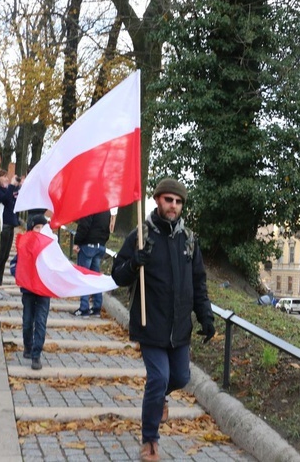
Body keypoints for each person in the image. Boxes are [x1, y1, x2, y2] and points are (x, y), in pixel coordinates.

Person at [111, 178, 215, 462]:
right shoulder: (141, 235)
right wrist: (135, 263)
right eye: (169, 200)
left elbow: (198, 282)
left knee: (180, 377)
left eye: (179, 202)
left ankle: (159, 401)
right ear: (157, 200)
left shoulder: (189, 240)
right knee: (158, 378)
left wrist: (205, 317)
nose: (174, 206)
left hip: (179, 327)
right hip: (150, 324)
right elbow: (117, 274)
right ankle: (150, 440)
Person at [10, 214, 51, 370]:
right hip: (28, 291)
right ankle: (28, 345)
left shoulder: (49, 246)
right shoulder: (25, 245)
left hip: (44, 290)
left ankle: (36, 354)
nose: (40, 230)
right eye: (37, 227)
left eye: (42, 227)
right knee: (28, 320)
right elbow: (15, 265)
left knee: (40, 321)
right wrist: (20, 274)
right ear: (31, 229)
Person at [72, 209, 111, 317]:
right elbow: (108, 228)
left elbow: (84, 226)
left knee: (83, 276)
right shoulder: (106, 208)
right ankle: (96, 307)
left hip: (87, 246)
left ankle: (84, 308)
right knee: (95, 277)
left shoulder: (90, 206)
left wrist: (77, 242)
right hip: (100, 247)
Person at [0, 169, 20, 288]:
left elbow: (13, 200)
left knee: (4, 256)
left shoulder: (7, 189)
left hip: (10, 224)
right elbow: (4, 199)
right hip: (3, 225)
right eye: (4, 176)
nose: (7, 179)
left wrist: (17, 187)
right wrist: (12, 186)